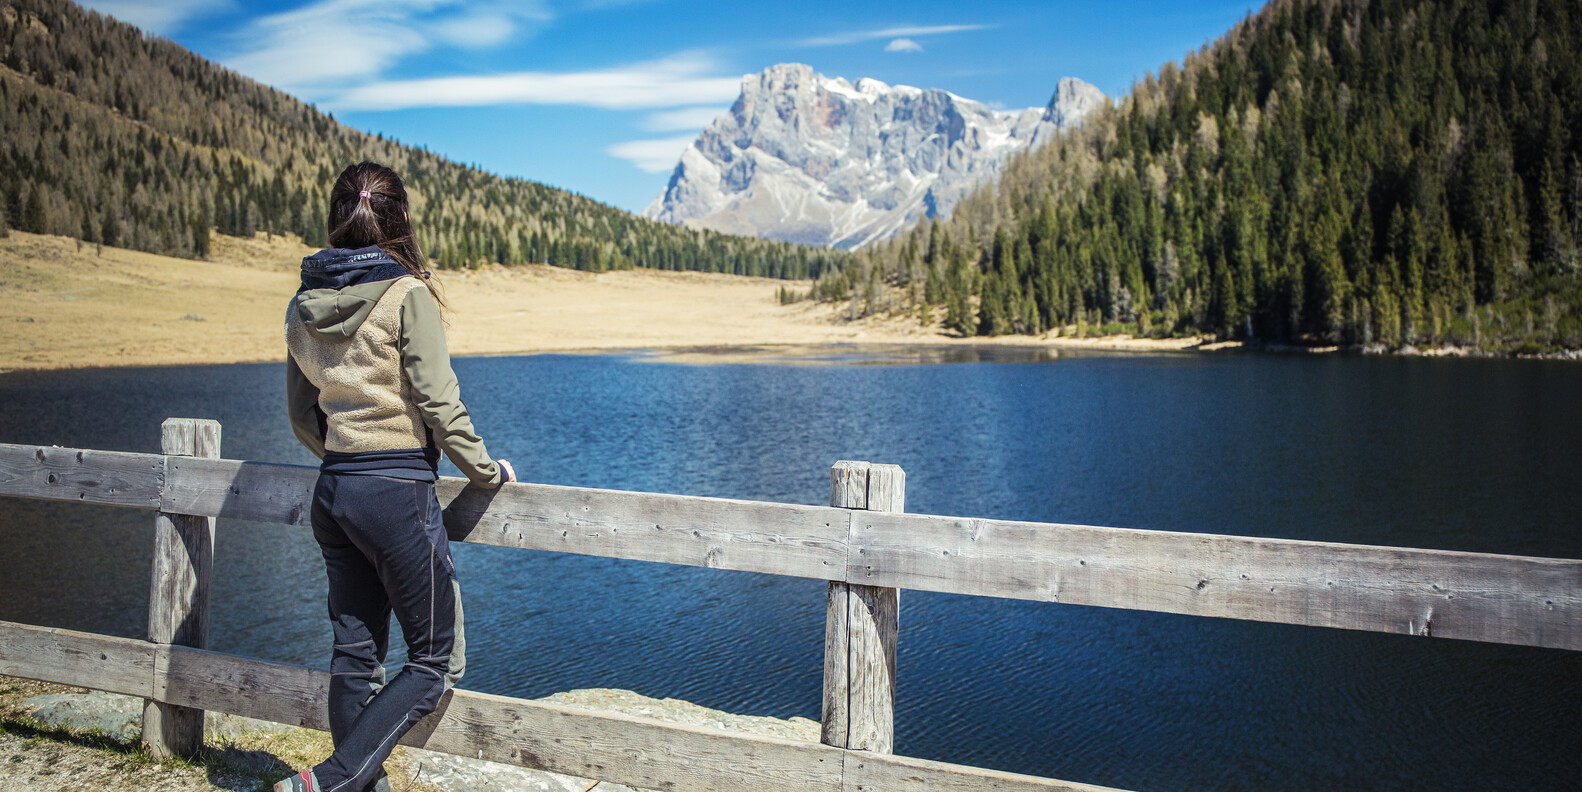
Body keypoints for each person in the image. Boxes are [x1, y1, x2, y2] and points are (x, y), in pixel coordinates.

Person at [277, 161, 514, 792]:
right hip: (397, 493)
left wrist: (347, 456)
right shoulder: (406, 294)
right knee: (435, 662)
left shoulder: (303, 302)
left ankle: (351, 785)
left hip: (335, 491)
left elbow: (302, 414)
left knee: (355, 656)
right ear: (399, 219)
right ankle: (329, 782)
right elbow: (439, 404)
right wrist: (486, 471)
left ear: (338, 216)